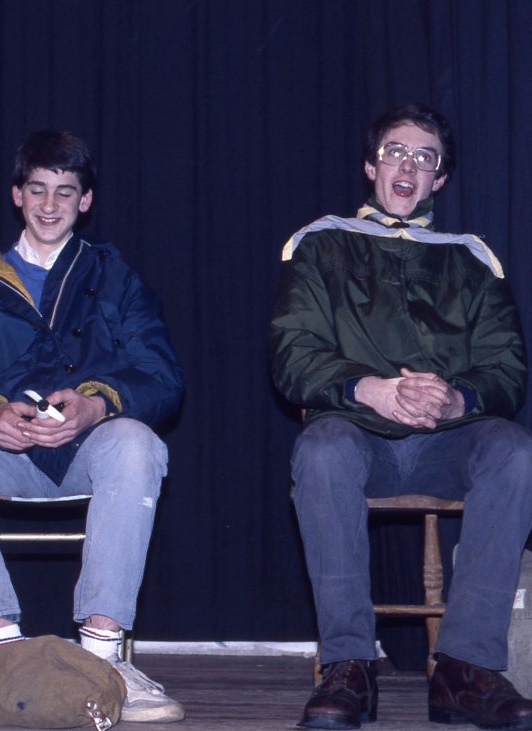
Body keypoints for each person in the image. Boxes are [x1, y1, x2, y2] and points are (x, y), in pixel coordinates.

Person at [0, 129, 185, 723]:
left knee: (137, 442)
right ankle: (3, 656)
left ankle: (104, 660)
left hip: (89, 450)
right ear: (17, 195)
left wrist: (94, 405)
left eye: (65, 192)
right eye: (37, 190)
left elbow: (162, 377)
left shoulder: (114, 275)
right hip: (2, 452)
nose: (49, 205)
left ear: (86, 200)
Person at [270, 103, 532, 730]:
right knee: (322, 449)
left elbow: (507, 367)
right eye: (395, 152)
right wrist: (371, 390)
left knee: (515, 450)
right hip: (358, 435)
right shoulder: (321, 245)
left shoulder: (471, 260)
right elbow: (292, 354)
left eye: (424, 157)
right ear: (371, 166)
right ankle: (350, 665)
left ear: (440, 177)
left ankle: (466, 668)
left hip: (448, 441)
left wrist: (458, 399)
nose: (408, 166)